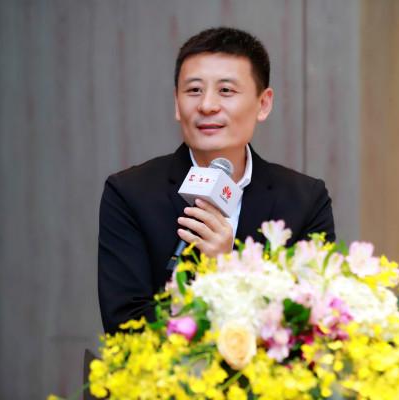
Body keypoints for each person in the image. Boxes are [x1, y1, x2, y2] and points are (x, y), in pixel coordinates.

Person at [98, 27, 335, 334]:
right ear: (177, 103)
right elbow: (124, 324)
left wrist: (228, 267)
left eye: (226, 91)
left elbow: (315, 320)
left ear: (263, 103)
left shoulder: (305, 199)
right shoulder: (130, 193)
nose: (207, 105)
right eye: (194, 90)